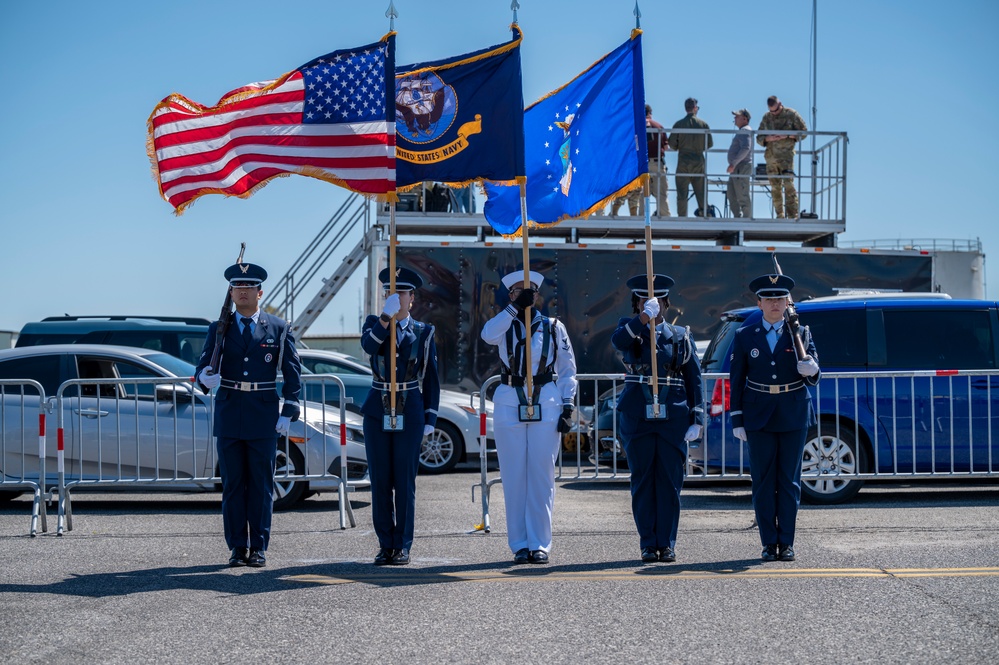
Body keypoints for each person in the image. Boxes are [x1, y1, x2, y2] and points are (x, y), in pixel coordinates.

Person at [195, 261, 302, 568]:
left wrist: (289, 409)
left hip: (262, 412)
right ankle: (237, 547)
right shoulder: (219, 328)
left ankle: (258, 546)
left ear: (260, 291)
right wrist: (204, 376)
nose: (243, 292)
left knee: (260, 484)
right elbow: (202, 365)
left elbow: (292, 373)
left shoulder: (278, 328)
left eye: (248, 287)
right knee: (232, 485)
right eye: (237, 287)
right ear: (231, 292)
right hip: (229, 411)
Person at [481, 269, 578, 564]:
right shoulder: (503, 325)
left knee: (541, 476)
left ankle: (539, 543)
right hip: (510, 400)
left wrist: (568, 404)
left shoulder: (553, 327)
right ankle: (519, 544)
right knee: (513, 476)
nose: (525, 297)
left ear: (537, 296)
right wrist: (513, 309)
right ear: (510, 296)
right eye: (517, 293)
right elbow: (487, 335)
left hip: (545, 402)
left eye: (529, 293)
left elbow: (567, 370)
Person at [611, 274, 703, 563]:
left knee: (670, 482)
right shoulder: (629, 330)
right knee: (642, 481)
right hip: (638, 414)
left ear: (666, 303)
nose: (653, 306)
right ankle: (648, 543)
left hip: (672, 416)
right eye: (643, 301)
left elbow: (694, 379)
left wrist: (697, 417)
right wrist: (641, 319)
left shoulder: (680, 336)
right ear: (637, 303)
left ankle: (667, 543)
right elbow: (618, 341)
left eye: (658, 301)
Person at [729, 273, 821, 562]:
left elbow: (815, 371)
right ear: (759, 303)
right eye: (768, 298)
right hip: (758, 415)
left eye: (779, 298)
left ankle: (787, 542)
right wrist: (737, 419)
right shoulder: (745, 335)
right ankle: (769, 543)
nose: (774, 303)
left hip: (792, 412)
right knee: (763, 481)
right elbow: (737, 378)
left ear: (787, 302)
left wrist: (812, 369)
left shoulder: (801, 334)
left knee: (790, 481)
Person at [360, 266, 441, 566]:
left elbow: (431, 377)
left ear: (412, 299)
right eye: (389, 293)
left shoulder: (424, 331)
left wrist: (431, 417)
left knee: (405, 480)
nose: (394, 297)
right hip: (377, 406)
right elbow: (369, 346)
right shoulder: (374, 323)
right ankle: (386, 544)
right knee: (381, 479)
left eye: (401, 293)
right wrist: (384, 319)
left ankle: (403, 544)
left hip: (410, 406)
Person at [757, 96, 807, 219]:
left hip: (786, 158)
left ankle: (792, 215)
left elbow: (804, 133)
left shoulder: (791, 115)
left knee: (788, 185)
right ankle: (780, 214)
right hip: (771, 158)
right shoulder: (767, 117)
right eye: (772, 111)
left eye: (776, 110)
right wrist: (768, 138)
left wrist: (788, 135)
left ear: (780, 104)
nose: (774, 114)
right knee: (775, 187)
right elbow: (758, 137)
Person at [668, 97, 713, 218]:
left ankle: (682, 216)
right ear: (695, 108)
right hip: (698, 161)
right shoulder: (703, 125)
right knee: (701, 191)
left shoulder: (678, 124)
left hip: (683, 161)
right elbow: (709, 144)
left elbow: (672, 144)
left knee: (682, 192)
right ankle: (705, 213)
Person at [726, 108, 753, 218]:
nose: (735, 118)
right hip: (737, 168)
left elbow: (746, 148)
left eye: (737, 116)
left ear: (745, 119)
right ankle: (738, 218)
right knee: (731, 194)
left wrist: (734, 163)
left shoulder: (745, 130)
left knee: (742, 195)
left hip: (741, 167)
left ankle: (746, 220)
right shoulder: (743, 131)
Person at [645, 104, 671, 217]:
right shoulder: (658, 126)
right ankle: (664, 215)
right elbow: (666, 147)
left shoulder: (636, 126)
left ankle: (641, 216)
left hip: (643, 164)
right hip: (657, 163)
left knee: (642, 193)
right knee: (661, 193)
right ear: (650, 113)